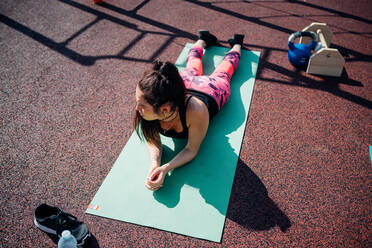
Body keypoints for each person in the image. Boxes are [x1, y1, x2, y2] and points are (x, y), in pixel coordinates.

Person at [134, 31, 244, 191]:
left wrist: (166, 168)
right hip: (186, 83)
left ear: (164, 109)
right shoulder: (150, 100)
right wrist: (155, 164)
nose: (137, 109)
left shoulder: (196, 112)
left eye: (141, 105)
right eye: (138, 102)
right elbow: (152, 138)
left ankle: (237, 44)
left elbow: (191, 149)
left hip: (211, 89)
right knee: (191, 65)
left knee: (224, 71)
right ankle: (203, 39)